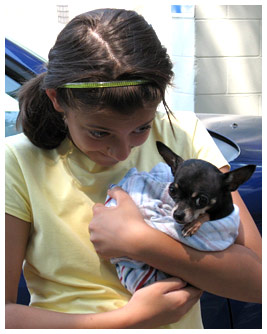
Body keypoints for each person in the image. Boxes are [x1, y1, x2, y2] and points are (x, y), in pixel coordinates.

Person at [5, 8, 261, 329]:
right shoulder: (17, 162)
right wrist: (129, 319)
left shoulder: (182, 134)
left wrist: (142, 243)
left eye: (142, 128)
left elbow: (257, 282)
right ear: (57, 100)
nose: (123, 151)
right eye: (99, 132)